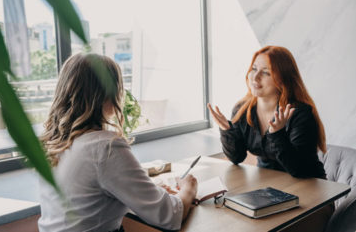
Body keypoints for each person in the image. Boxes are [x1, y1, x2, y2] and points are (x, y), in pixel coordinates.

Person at [38, 53, 197, 232]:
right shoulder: (104, 147)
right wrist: (188, 188)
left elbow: (89, 198)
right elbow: (169, 216)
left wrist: (146, 191)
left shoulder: (56, 142)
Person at [208, 46, 326, 179]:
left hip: (310, 186)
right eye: (254, 69)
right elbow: (237, 158)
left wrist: (277, 135)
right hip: (269, 187)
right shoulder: (242, 109)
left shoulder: (299, 114)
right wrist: (227, 130)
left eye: (266, 72)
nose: (255, 77)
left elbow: (299, 169)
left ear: (282, 79)